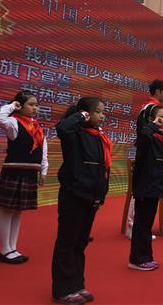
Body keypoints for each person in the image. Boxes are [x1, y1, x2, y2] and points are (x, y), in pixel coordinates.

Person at [52, 97, 111, 304]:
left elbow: (102, 169)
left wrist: (100, 195)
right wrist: (81, 115)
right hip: (73, 194)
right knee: (67, 242)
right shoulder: (73, 134)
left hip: (91, 197)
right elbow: (62, 128)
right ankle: (62, 290)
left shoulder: (98, 136)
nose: (102, 116)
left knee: (80, 243)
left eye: (103, 112)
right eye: (97, 112)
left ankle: (77, 284)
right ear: (85, 113)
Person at [0, 91, 48, 264]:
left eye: (36, 105)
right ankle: (4, 250)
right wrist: (12, 106)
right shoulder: (13, 122)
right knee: (7, 210)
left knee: (18, 211)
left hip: (30, 173)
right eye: (31, 104)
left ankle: (13, 247)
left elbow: (43, 151)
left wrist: (43, 171)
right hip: (14, 172)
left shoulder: (37, 127)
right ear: (20, 105)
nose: (35, 108)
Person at [129, 105, 163, 270]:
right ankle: (137, 259)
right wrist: (153, 125)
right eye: (160, 116)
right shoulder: (146, 136)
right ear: (150, 119)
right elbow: (145, 134)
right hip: (145, 187)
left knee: (146, 224)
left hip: (153, 186)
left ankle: (146, 256)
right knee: (142, 224)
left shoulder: (157, 137)